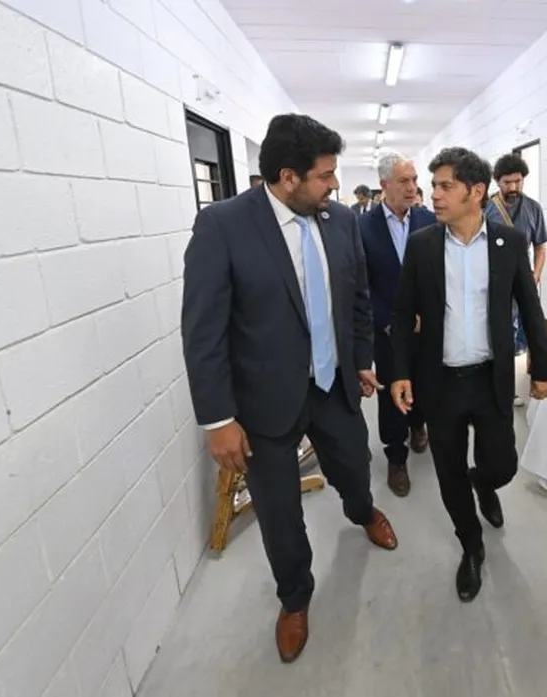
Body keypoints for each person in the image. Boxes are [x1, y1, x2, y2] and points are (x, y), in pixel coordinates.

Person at [181, 113, 398, 664]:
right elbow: (203, 331)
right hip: (264, 403)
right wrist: (218, 419)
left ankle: (363, 511)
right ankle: (295, 598)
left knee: (355, 466)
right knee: (279, 514)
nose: (335, 185)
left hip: (333, 386)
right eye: (324, 175)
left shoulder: (340, 220)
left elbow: (356, 298)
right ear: (287, 176)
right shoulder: (223, 226)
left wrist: (361, 359)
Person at [389, 147, 547, 601]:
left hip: (490, 378)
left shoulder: (508, 243)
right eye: (433, 186)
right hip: (440, 382)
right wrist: (400, 371)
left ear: (475, 192)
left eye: (446, 186)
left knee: (502, 464)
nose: (434, 195)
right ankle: (472, 546)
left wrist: (542, 367)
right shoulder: (422, 245)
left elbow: (530, 308)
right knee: (448, 473)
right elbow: (402, 313)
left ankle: (485, 482)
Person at [357, 152, 437, 496]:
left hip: (425, 327)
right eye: (404, 181)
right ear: (384, 185)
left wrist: (427, 313)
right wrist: (389, 320)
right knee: (391, 391)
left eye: (414, 180)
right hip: (386, 328)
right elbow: (361, 285)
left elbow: (438, 274)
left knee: (423, 382)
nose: (412, 187)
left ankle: (418, 424)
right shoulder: (362, 227)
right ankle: (395, 456)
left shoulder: (429, 221)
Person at [484, 153, 547, 405]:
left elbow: (540, 246)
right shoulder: (486, 208)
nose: (513, 187)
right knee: (496, 335)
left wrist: (535, 275)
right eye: (507, 182)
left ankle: (511, 388)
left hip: (524, 281)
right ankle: (491, 390)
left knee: (524, 333)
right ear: (497, 182)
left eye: (517, 181)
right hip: (492, 282)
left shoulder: (533, 208)